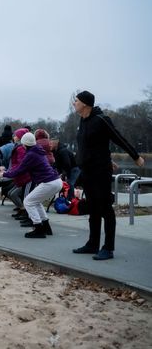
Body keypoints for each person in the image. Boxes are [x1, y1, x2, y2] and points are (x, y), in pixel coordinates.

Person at [72, 90, 144, 260]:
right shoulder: (83, 121)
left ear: (85, 104)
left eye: (76, 101)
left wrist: (135, 156)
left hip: (100, 172)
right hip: (88, 171)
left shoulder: (101, 120)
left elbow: (118, 138)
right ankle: (92, 244)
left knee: (105, 209)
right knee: (93, 209)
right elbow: (89, 146)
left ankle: (108, 248)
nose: (74, 103)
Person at [0, 132, 62, 238]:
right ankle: (46, 227)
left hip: (49, 182)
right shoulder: (38, 150)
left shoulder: (31, 155)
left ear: (24, 144)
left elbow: (19, 170)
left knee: (28, 202)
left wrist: (4, 174)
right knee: (36, 202)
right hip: (55, 181)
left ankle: (38, 229)